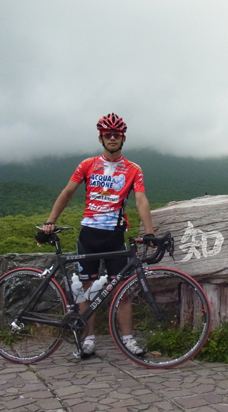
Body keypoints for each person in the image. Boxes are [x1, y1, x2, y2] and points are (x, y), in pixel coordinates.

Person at [42, 113, 154, 358]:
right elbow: (68, 192)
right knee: (85, 289)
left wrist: (149, 231)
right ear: (101, 137)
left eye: (116, 134)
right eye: (107, 134)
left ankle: (128, 340)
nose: (112, 138)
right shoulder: (87, 164)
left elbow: (141, 200)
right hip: (89, 234)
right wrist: (51, 220)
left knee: (122, 290)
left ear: (123, 138)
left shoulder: (133, 169)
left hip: (115, 235)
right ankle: (88, 339)